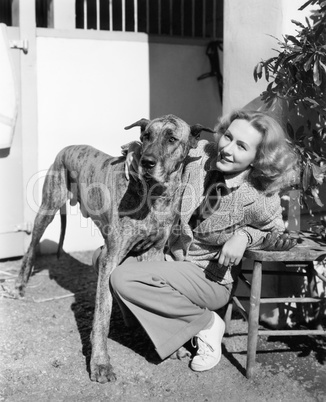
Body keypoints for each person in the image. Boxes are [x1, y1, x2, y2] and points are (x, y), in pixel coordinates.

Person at [94, 110, 298, 372]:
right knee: (100, 257)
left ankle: (207, 324)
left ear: (258, 157)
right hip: (173, 261)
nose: (227, 149)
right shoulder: (201, 154)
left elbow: (279, 231)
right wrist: (134, 154)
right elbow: (160, 142)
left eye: (241, 146)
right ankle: (165, 327)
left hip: (208, 276)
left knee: (123, 278)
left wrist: (244, 236)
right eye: (228, 136)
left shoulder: (259, 195)